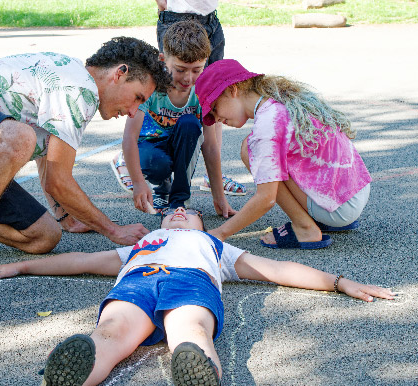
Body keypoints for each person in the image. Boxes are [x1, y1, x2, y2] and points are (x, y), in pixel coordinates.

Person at [0, 207, 395, 386]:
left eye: (189, 213)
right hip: (138, 281)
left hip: (190, 281)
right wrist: (23, 264)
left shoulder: (215, 247)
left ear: (201, 226)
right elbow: (81, 261)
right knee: (110, 334)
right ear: (159, 225)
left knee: (190, 333)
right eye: (172, 212)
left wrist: (338, 282)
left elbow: (274, 268)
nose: (179, 212)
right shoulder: (139, 246)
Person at [0, 37, 172, 313]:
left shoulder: (73, 77)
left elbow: (49, 163)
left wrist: (66, 217)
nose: (132, 112)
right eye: (137, 98)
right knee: (20, 138)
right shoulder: (79, 90)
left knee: (44, 237)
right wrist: (113, 230)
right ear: (120, 73)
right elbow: (59, 180)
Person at [195, 59, 372, 250]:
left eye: (214, 108)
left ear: (233, 90)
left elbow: (266, 199)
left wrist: (219, 233)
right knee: (260, 149)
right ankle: (319, 216)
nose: (216, 119)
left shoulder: (267, 124)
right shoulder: (279, 100)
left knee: (250, 149)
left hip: (340, 208)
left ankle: (305, 228)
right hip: (355, 190)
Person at [110, 21, 238, 218]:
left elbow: (210, 145)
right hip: (149, 145)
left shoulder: (202, 91)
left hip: (181, 143)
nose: (188, 78)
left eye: (197, 70)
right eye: (180, 69)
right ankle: (147, 176)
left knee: (190, 124)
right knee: (156, 164)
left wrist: (219, 196)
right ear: (163, 60)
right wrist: (137, 183)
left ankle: (178, 200)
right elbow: (130, 137)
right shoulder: (150, 86)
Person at [155, 0, 247, 197]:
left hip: (211, 19)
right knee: (175, 98)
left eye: (197, 69)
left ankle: (213, 177)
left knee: (215, 102)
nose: (190, 75)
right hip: (177, 16)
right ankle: (155, 172)